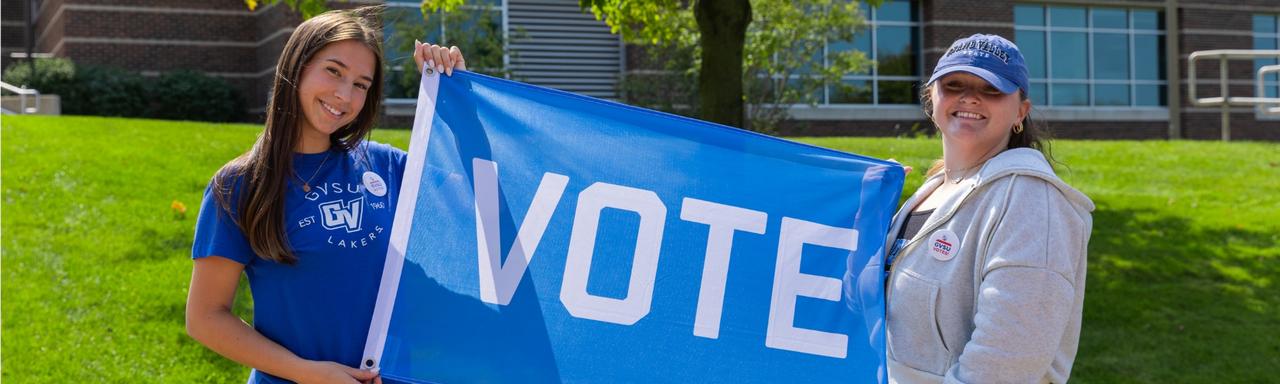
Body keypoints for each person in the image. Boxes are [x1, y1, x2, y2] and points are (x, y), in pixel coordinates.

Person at [185, 7, 466, 384]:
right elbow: (205, 317)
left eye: (361, 85)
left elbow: (480, 195)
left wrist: (457, 99)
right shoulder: (239, 185)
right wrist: (308, 374)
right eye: (333, 71)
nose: (344, 95)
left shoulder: (386, 167)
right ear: (298, 66)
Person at [883, 34, 1094, 383]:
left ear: (1020, 112)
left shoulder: (1030, 201)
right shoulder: (930, 193)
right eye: (954, 85)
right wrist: (868, 213)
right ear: (931, 99)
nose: (970, 97)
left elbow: (1006, 363)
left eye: (992, 89)